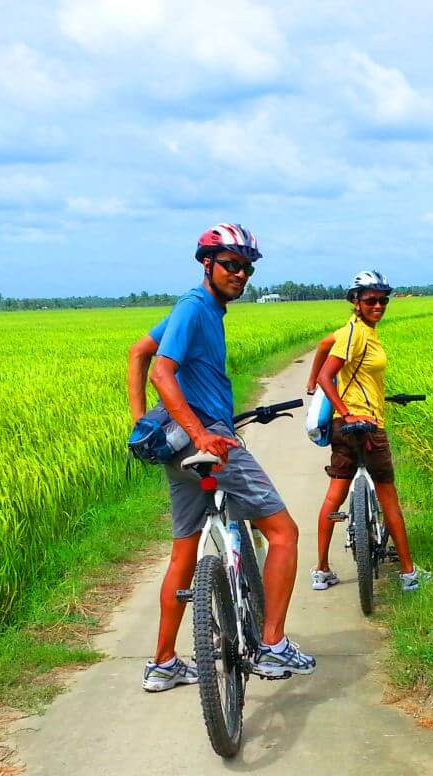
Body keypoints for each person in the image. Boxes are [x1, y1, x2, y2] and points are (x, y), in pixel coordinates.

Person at [126, 223, 316, 692]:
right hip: (206, 438)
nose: (241, 274)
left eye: (247, 268)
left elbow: (138, 353)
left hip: (175, 447)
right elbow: (161, 374)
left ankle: (164, 664)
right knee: (283, 533)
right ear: (206, 264)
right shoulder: (194, 307)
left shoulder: (200, 309)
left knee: (183, 553)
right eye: (231, 264)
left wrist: (141, 424)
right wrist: (202, 434)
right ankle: (272, 646)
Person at [305, 270, 429, 592]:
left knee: (334, 496)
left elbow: (322, 346)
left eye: (383, 299)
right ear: (356, 302)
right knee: (388, 497)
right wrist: (345, 409)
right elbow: (326, 376)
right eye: (370, 300)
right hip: (367, 426)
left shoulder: (351, 332)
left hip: (344, 430)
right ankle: (408, 574)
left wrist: (310, 382)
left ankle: (321, 570)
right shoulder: (356, 334)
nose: (378, 305)